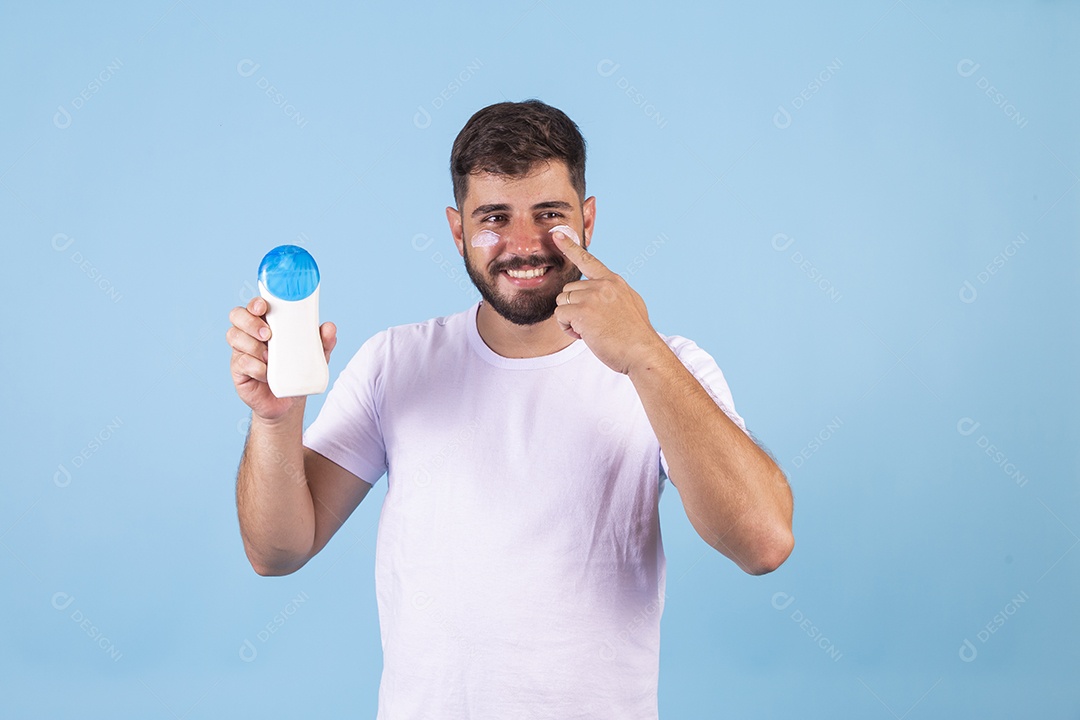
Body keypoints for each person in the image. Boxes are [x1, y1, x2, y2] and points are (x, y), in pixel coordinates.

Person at [226, 99, 793, 718]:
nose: (524, 245)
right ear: (456, 229)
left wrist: (644, 355)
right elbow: (277, 552)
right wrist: (275, 421)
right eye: (494, 216)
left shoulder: (668, 365)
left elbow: (762, 542)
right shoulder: (395, 362)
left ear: (589, 218)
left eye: (549, 215)